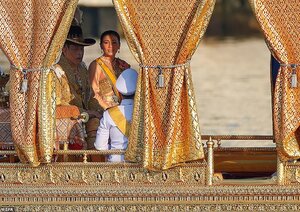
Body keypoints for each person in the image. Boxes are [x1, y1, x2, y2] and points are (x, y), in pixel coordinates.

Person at [54, 25, 96, 150]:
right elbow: (57, 105)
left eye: (81, 49)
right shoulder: (56, 70)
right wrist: (85, 112)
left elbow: (90, 97)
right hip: (67, 118)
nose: (79, 53)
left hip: (84, 116)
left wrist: (99, 111)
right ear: (64, 49)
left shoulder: (82, 68)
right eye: (75, 48)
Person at [87, 30, 130, 150]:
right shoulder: (96, 65)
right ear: (101, 45)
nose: (110, 46)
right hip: (104, 109)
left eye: (114, 43)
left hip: (123, 108)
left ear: (119, 46)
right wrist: (107, 109)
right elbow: (94, 92)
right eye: (106, 43)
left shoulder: (124, 65)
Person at [94, 68, 137, 162]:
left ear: (119, 94)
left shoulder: (109, 114)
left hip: (115, 165)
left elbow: (100, 146)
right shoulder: (144, 114)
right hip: (139, 165)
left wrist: (113, 151)